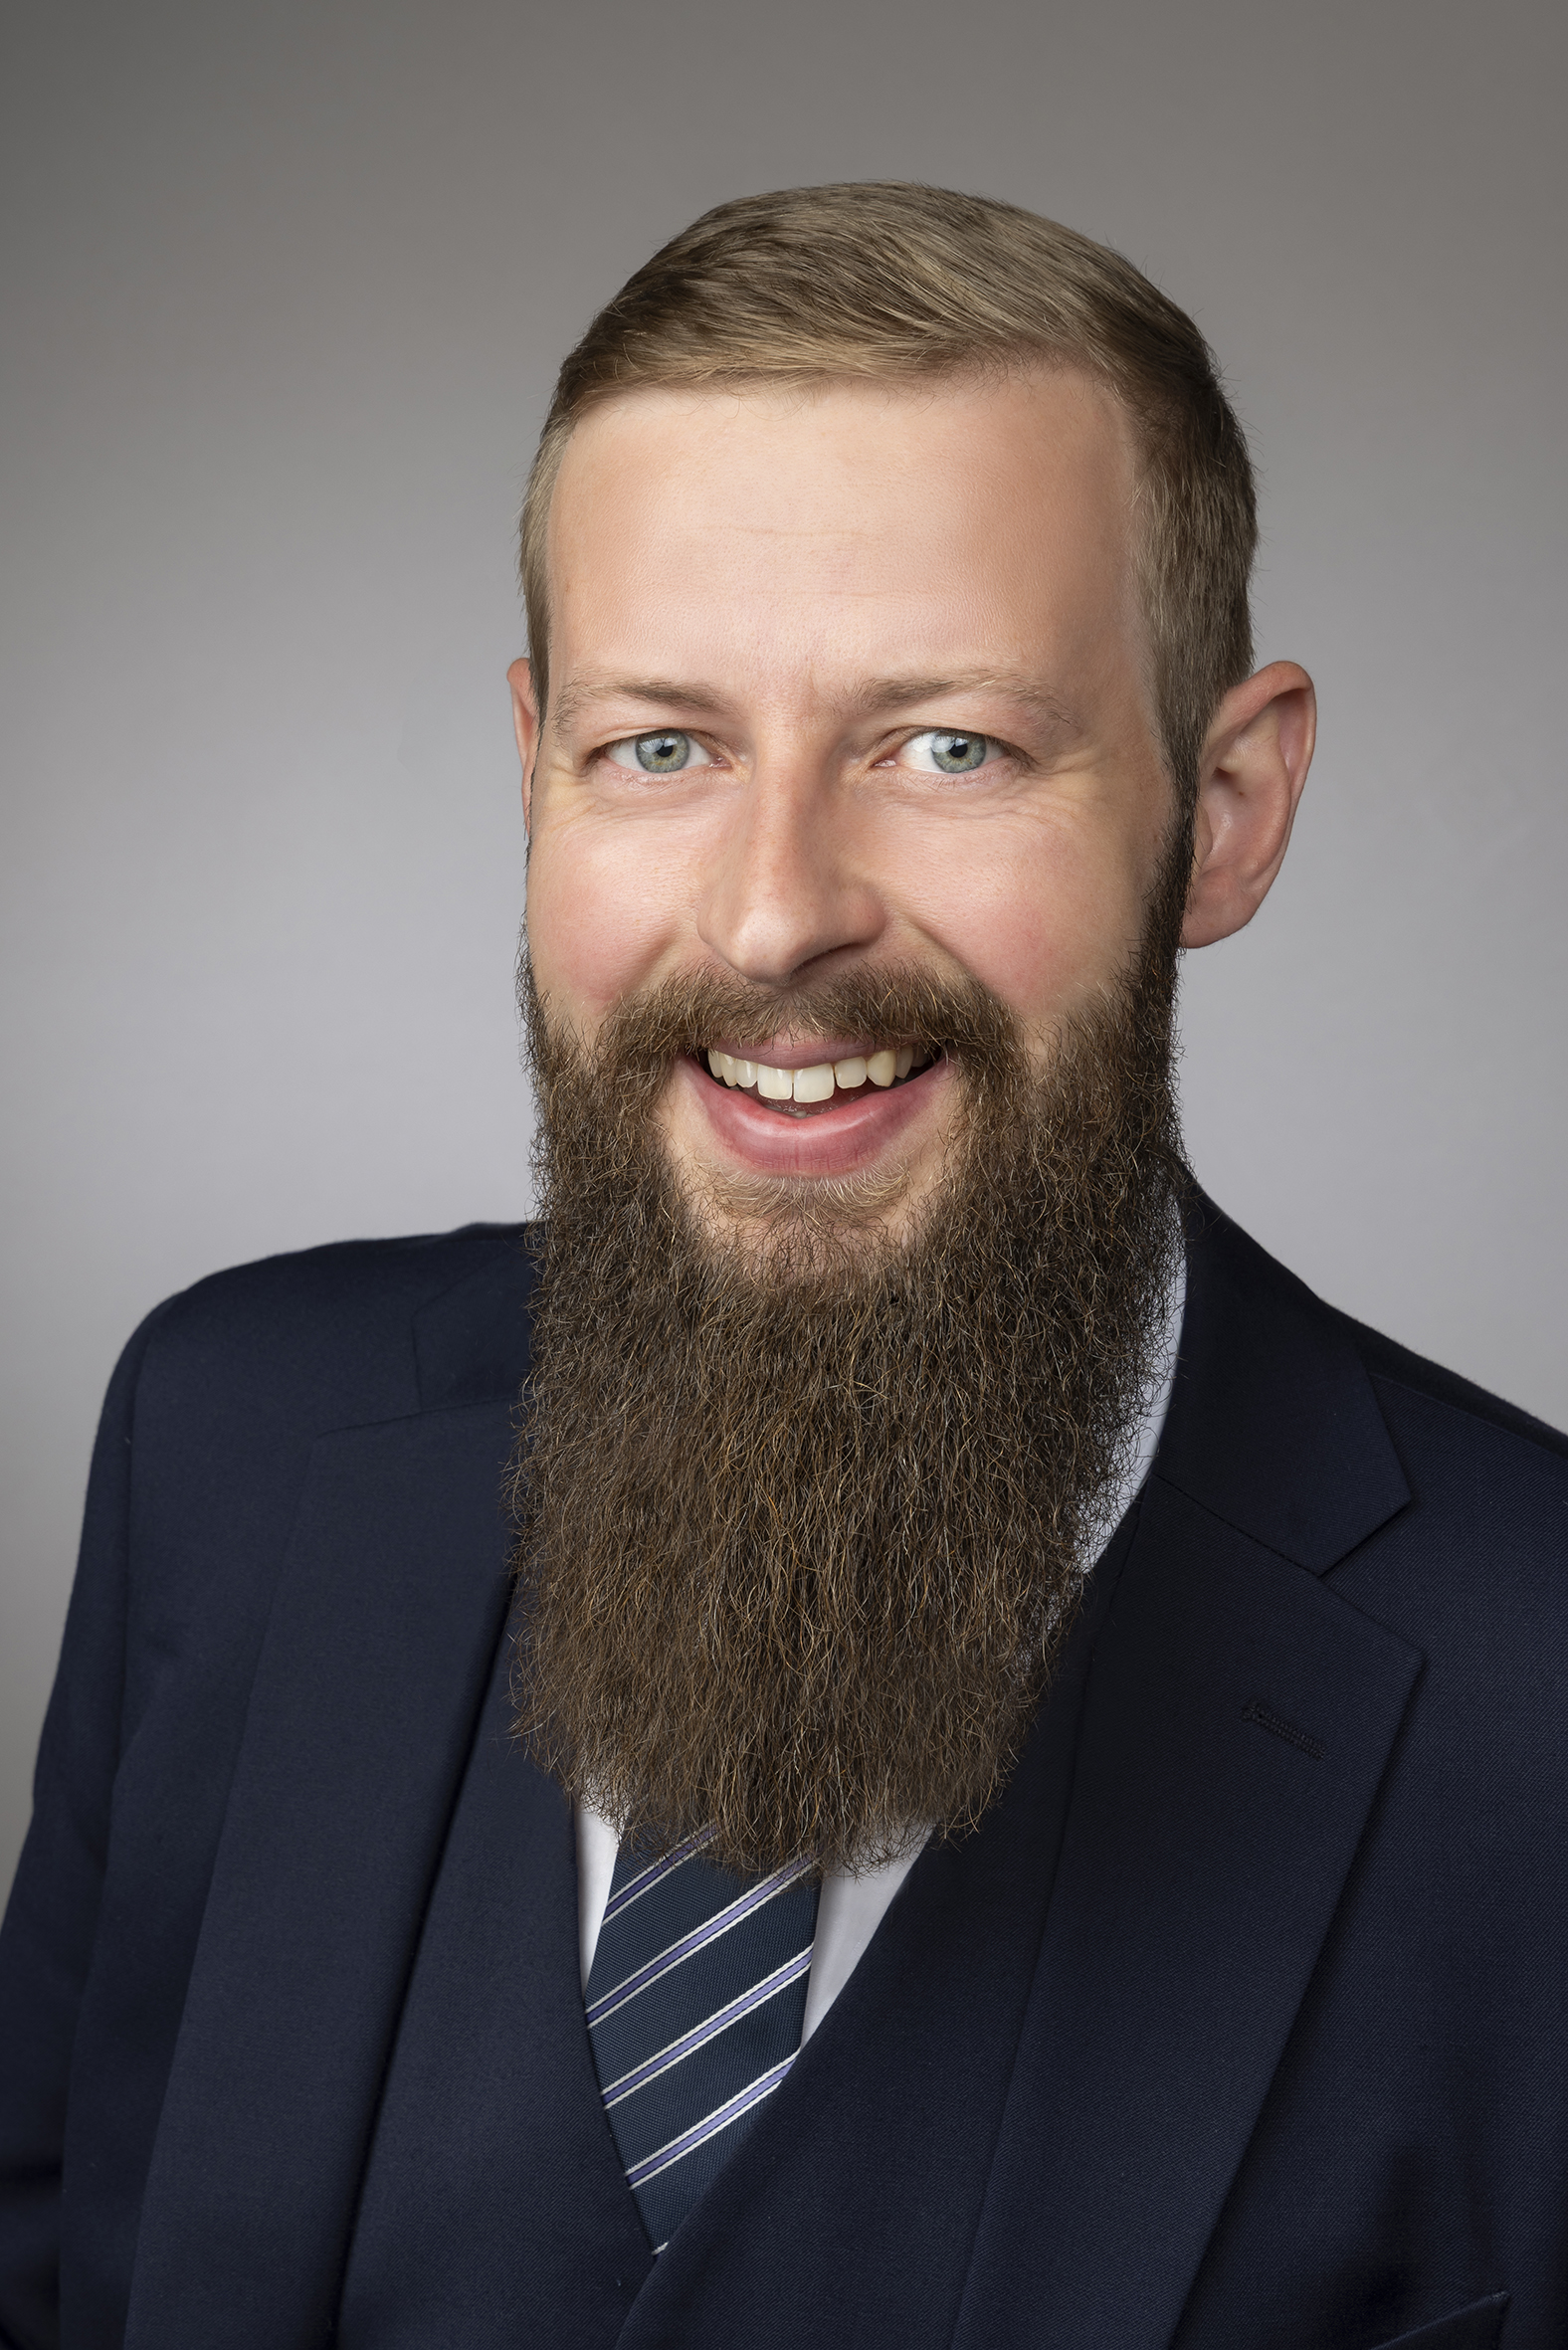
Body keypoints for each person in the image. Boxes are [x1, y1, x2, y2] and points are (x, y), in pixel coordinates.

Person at [1, 183, 1564, 2350]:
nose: (770, 914)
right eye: (660, 745)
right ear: (534, 770)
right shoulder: (224, 1446)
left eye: (947, 745)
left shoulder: (1537, 1677)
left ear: (1221, 808)